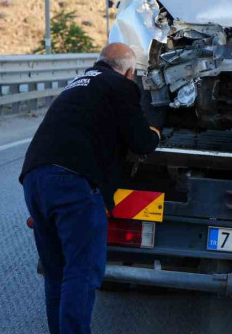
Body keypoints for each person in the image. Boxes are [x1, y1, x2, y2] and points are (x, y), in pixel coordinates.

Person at [19, 43, 165, 334]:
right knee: (81, 272)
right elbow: (141, 143)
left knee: (56, 273)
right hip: (72, 184)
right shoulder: (121, 86)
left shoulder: (77, 84)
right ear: (128, 71)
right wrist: (155, 131)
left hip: (35, 178)